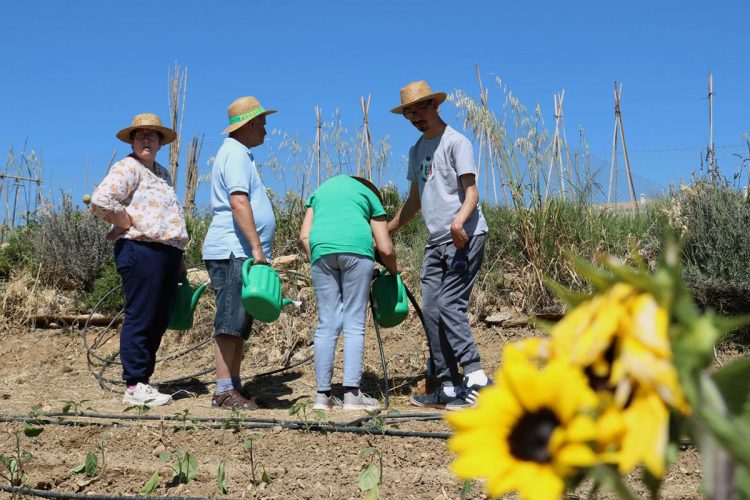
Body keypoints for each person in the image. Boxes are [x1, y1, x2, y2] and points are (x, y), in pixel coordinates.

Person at [387, 80, 491, 410]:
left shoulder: (456, 142)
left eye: (420, 108)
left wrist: (459, 221)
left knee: (449, 305)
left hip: (465, 236)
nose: (415, 116)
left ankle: (477, 379)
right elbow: (415, 201)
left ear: (435, 106)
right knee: (431, 311)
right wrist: (386, 228)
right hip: (436, 243)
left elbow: (471, 193)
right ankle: (448, 386)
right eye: (408, 113)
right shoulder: (417, 151)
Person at [90, 113, 188, 407]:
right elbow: (101, 200)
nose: (147, 140)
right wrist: (124, 219)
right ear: (132, 141)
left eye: (153, 136)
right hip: (141, 248)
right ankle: (134, 384)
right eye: (141, 135)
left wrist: (179, 257)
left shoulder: (161, 173)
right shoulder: (128, 167)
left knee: (158, 316)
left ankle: (143, 380)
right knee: (142, 314)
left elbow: (169, 216)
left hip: (166, 252)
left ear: (161, 143)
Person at [299, 175, 399, 411]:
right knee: (354, 321)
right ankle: (353, 395)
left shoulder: (320, 190)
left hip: (320, 251)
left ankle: (323, 397)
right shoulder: (370, 196)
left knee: (327, 322)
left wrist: (318, 259)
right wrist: (394, 270)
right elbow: (385, 247)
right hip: (357, 252)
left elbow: (304, 236)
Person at [202, 96, 277, 410]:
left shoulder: (240, 154)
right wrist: (257, 247)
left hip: (240, 250)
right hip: (233, 249)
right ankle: (223, 390)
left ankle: (232, 386)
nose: (265, 129)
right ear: (247, 125)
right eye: (261, 122)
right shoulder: (234, 154)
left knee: (239, 323)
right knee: (230, 320)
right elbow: (238, 202)